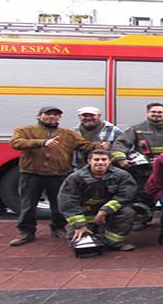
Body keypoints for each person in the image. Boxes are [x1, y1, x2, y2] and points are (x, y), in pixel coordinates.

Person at [9, 106, 104, 247]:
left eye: (55, 115)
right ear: (38, 116)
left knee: (59, 204)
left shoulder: (68, 134)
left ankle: (58, 228)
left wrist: (99, 146)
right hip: (32, 174)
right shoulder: (25, 130)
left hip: (58, 174)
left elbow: (85, 145)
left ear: (59, 118)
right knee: (28, 205)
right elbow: (15, 143)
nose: (52, 117)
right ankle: (26, 232)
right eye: (48, 114)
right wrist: (42, 142)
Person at [110, 102, 163, 230]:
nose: (156, 114)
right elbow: (119, 145)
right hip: (143, 171)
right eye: (153, 112)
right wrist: (122, 160)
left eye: (159, 112)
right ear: (147, 113)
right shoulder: (136, 129)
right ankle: (141, 219)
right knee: (142, 195)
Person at [57, 149, 137, 252]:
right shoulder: (75, 178)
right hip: (85, 213)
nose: (100, 162)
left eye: (104, 159)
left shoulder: (122, 176)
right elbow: (67, 203)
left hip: (109, 212)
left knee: (128, 212)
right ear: (89, 161)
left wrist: (104, 211)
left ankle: (114, 242)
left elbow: (126, 196)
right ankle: (92, 232)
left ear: (110, 161)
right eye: (96, 159)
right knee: (81, 243)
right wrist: (79, 225)